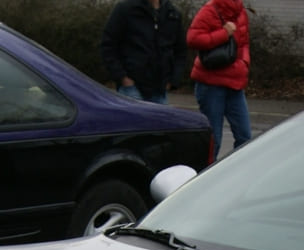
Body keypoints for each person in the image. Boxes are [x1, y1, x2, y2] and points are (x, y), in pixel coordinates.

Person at [187, 0, 251, 154]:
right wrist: (223, 34)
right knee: (213, 140)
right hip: (211, 84)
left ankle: (239, 174)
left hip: (235, 83)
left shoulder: (241, 12)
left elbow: (244, 43)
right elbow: (193, 39)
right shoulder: (210, 10)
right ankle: (208, 175)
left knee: (245, 137)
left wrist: (244, 63)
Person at [100, 0, 188, 104]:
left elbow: (181, 51)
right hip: (131, 89)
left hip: (160, 91)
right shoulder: (125, 9)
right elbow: (108, 46)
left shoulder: (173, 14)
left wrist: (173, 81)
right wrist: (122, 78)